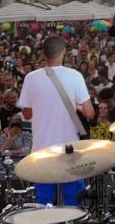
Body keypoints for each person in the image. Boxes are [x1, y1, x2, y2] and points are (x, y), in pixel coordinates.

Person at [19, 34, 94, 206]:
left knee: (44, 204)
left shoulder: (31, 77)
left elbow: (28, 114)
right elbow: (90, 114)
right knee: (73, 204)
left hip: (41, 150)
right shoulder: (75, 76)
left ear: (44, 54)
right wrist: (78, 107)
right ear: (64, 52)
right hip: (69, 150)